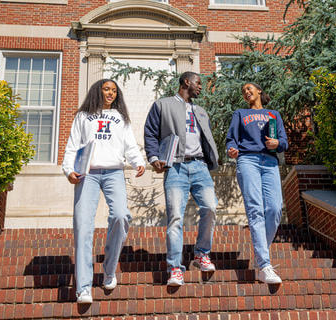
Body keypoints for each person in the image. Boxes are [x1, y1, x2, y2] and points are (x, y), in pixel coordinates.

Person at [62, 79, 145, 303]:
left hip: (113, 173)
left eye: (114, 91)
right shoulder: (83, 116)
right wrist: (68, 170)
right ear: (98, 91)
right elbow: (72, 145)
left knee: (120, 216)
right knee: (83, 226)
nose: (110, 93)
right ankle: (83, 287)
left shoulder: (120, 118)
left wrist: (138, 161)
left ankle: (109, 269)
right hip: (86, 174)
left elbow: (129, 144)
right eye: (107, 89)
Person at [144, 71, 219, 286]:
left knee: (210, 208)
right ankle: (175, 268)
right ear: (186, 82)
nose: (201, 87)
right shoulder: (163, 104)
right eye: (198, 83)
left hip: (199, 166)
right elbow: (150, 132)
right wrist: (153, 156)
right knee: (176, 217)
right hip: (175, 167)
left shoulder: (201, 111)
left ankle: (201, 254)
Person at [226, 82, 288, 284]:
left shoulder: (273, 114)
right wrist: (232, 150)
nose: (246, 91)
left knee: (275, 208)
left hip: (270, 161)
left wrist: (277, 143)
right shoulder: (240, 114)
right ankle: (264, 265)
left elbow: (284, 142)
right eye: (243, 90)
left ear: (259, 90)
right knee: (255, 209)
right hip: (248, 160)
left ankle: (262, 251)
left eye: (249, 88)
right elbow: (231, 140)